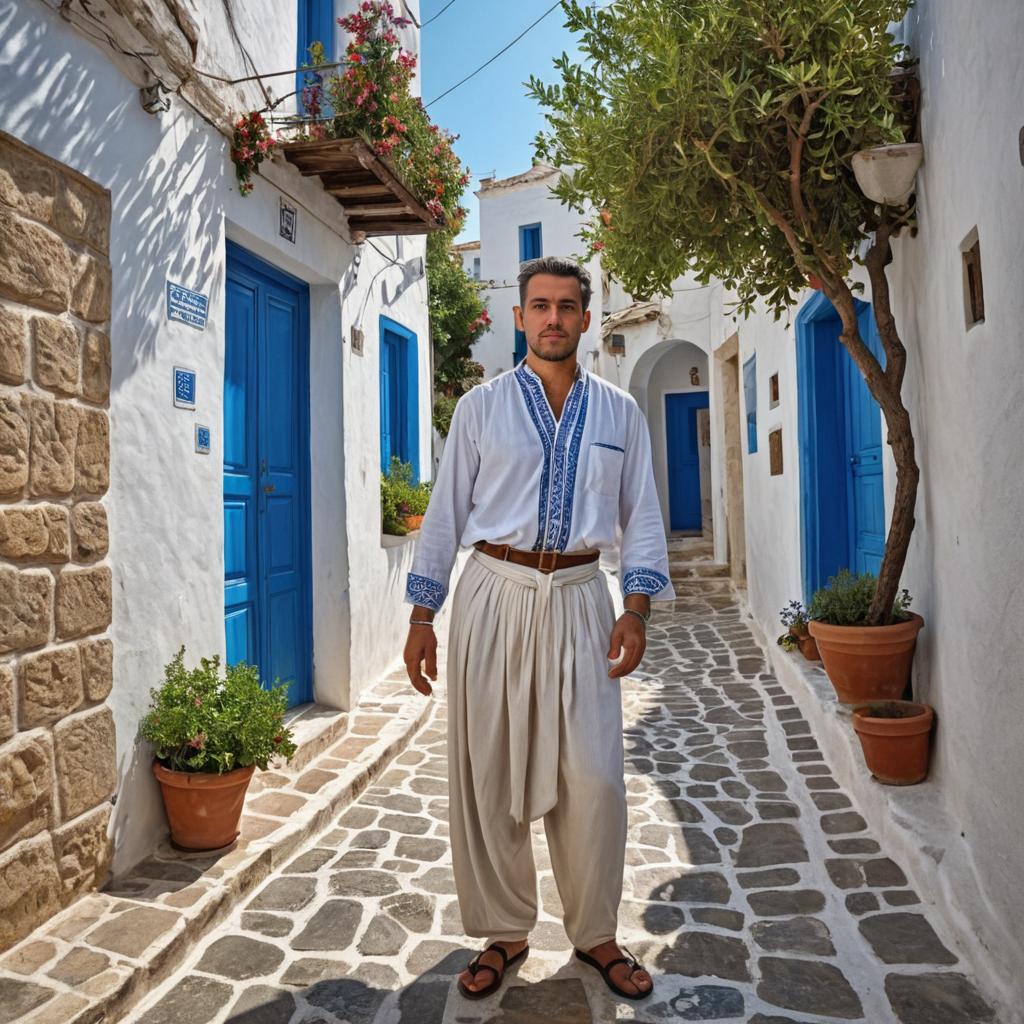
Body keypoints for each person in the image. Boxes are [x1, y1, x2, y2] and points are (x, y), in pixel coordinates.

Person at [402, 256, 674, 1001]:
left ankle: (595, 933)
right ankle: (504, 931)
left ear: (586, 318)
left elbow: (642, 516)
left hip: (586, 597)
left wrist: (636, 611)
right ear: (518, 317)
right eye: (540, 306)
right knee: (488, 772)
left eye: (567, 306)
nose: (553, 318)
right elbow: (446, 512)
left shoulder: (620, 414)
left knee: (595, 779)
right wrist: (423, 616)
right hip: (493, 592)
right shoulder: (480, 409)